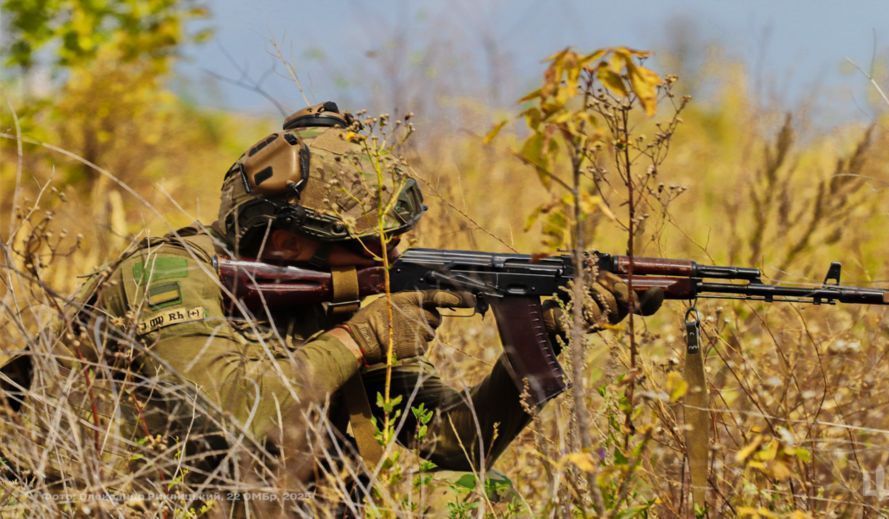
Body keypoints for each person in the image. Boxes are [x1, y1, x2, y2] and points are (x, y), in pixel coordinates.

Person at [0, 102, 661, 516]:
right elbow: (235, 402)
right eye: (363, 251)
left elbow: (452, 444)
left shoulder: (325, 310)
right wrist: (359, 339)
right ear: (287, 238)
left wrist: (538, 343)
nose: (381, 267)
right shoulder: (167, 272)